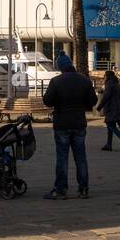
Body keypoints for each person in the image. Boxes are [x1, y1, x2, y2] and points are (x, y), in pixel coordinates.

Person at [41, 54, 97, 199]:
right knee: (80, 157)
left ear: (60, 67)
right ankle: (83, 189)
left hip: (62, 124)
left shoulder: (56, 81)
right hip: (79, 123)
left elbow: (47, 101)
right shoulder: (84, 80)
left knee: (62, 158)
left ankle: (60, 190)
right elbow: (93, 101)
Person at [96, 70, 120, 152]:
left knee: (111, 125)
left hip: (111, 109)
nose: (104, 78)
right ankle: (108, 144)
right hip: (117, 108)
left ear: (107, 76)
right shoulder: (117, 84)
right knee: (110, 127)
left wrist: (99, 107)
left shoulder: (109, 85)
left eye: (105, 76)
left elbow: (106, 97)